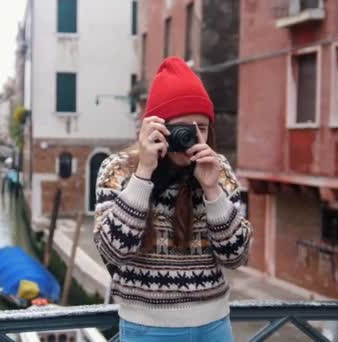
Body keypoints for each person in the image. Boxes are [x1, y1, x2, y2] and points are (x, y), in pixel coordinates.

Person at [93, 57, 253, 341]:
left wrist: (213, 192)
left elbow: (237, 256)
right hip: (148, 329)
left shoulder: (218, 170)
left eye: (200, 127)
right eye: (181, 129)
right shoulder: (117, 169)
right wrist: (143, 173)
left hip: (214, 326)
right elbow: (112, 249)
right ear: (156, 127)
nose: (191, 138)